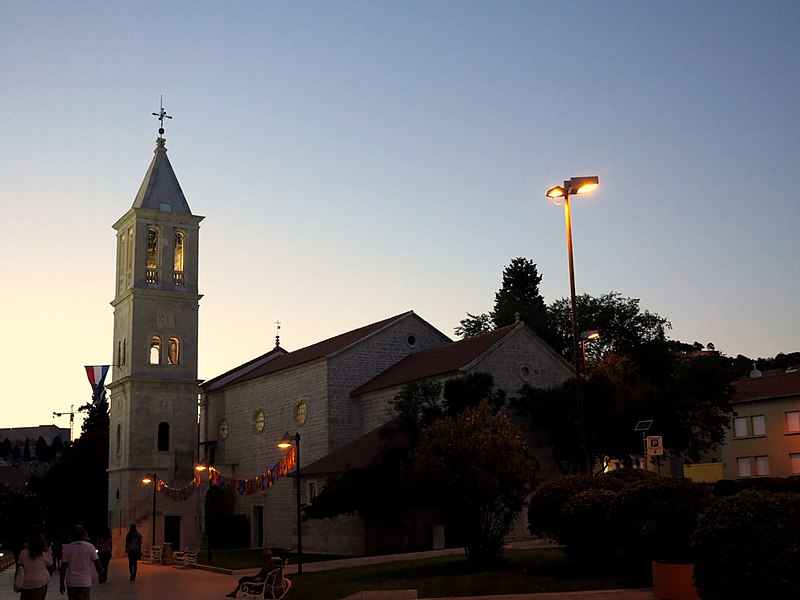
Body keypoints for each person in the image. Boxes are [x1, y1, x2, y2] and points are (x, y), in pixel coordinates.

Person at [59, 525, 101, 600]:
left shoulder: (67, 548)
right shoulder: (90, 547)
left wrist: (61, 583)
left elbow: (63, 567)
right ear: (84, 534)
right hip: (84, 582)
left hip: (71, 582)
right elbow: (97, 563)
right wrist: (100, 574)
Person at [17, 532, 54, 600]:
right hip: (41, 582)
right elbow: (51, 568)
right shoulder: (44, 553)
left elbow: (19, 568)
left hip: (26, 583)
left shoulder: (24, 553)